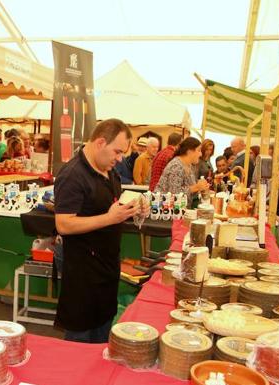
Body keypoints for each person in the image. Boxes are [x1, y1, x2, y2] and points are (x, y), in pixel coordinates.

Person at [54, 118, 149, 343]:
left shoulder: (109, 170)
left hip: (106, 267)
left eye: (123, 153)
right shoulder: (73, 175)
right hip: (82, 271)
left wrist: (133, 208)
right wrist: (109, 218)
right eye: (117, 151)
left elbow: (112, 205)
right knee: (80, 340)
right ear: (99, 143)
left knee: (103, 334)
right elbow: (64, 224)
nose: (120, 158)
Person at [154, 137, 209, 207]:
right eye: (198, 150)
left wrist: (201, 188)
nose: (201, 154)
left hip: (179, 211)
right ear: (189, 151)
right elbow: (174, 194)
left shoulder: (189, 165)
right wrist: (196, 187)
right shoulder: (176, 166)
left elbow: (189, 192)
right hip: (163, 210)